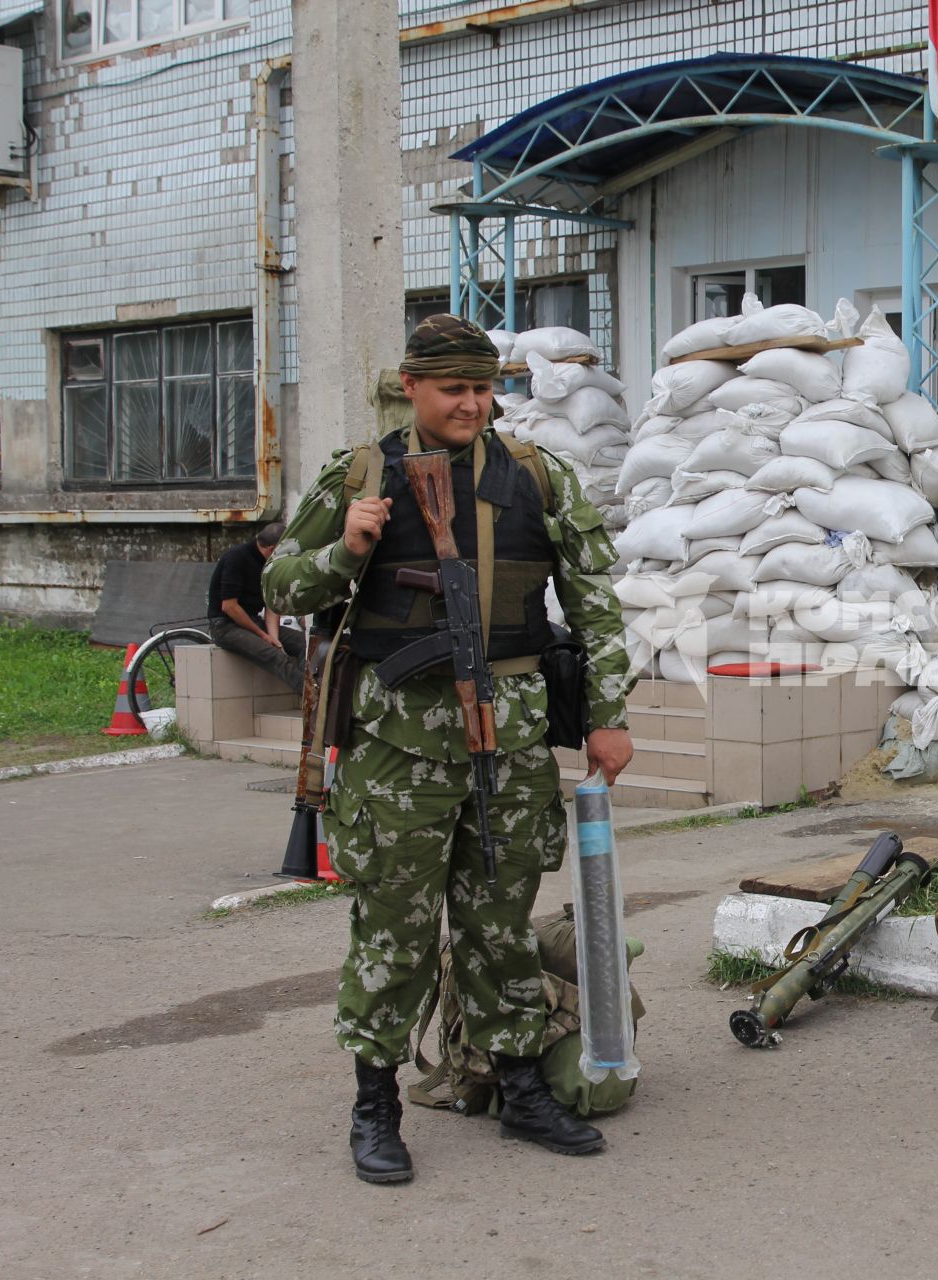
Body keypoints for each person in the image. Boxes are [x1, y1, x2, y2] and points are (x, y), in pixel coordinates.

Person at [262, 314, 635, 1184]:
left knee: (498, 921)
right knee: (392, 925)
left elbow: (594, 601)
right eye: (452, 389)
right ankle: (376, 1103)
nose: (471, 404)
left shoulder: (540, 476)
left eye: (481, 389)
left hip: (512, 736)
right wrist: (348, 547)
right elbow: (282, 583)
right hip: (401, 747)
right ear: (412, 386)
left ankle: (515, 1083)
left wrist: (608, 714)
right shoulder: (359, 474)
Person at [206, 522, 304, 691]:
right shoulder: (236, 558)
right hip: (226, 625)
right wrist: (263, 636)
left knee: (305, 644)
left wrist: (275, 638)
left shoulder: (272, 565)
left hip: (253, 621)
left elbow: (271, 605)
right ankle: (311, 698)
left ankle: (311, 686)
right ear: (272, 549)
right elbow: (230, 607)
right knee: (274, 656)